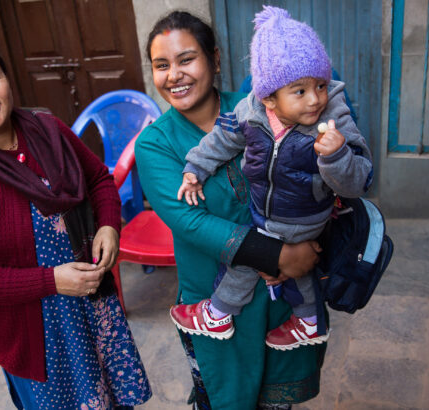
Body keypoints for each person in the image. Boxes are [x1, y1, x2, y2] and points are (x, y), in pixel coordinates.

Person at [0, 38, 151, 409]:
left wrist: (108, 224)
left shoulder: (47, 129)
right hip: (37, 336)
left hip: (94, 306)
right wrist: (52, 281)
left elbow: (98, 180)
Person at [136, 11, 325, 409]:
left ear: (215, 60)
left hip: (281, 296)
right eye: (161, 65)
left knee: (276, 402)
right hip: (215, 302)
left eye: (186, 59)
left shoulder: (262, 109)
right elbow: (189, 221)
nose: (174, 75)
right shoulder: (155, 143)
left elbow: (311, 174)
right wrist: (280, 255)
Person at [171, 6, 373, 351]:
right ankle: (310, 320)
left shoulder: (333, 116)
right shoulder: (251, 112)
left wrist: (337, 155)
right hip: (265, 210)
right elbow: (222, 140)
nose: (315, 99)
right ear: (269, 98)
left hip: (304, 214)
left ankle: (219, 312)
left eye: (321, 85)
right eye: (300, 91)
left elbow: (358, 181)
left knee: (247, 258)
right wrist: (195, 169)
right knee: (294, 267)